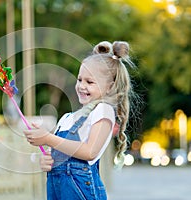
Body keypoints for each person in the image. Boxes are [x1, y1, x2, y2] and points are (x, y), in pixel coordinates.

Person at [23, 41, 135, 200]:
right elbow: (58, 154)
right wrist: (46, 160)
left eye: (90, 82)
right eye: (80, 79)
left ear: (110, 87)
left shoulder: (103, 110)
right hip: (56, 190)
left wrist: (48, 138)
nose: (82, 86)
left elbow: (90, 152)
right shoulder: (66, 118)